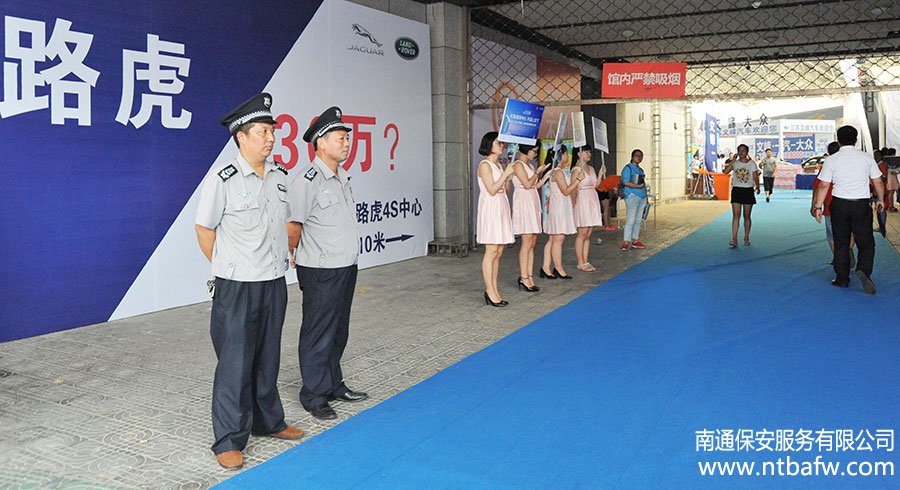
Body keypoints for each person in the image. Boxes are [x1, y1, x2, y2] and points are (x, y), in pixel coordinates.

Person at [194, 93, 304, 470]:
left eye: (272, 131)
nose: (271, 138)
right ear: (241, 137)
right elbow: (204, 229)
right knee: (234, 363)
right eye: (262, 132)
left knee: (267, 356)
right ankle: (228, 438)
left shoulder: (278, 177)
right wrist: (228, 266)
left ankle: (268, 421)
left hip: (273, 280)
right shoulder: (223, 179)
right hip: (238, 285)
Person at [287, 106, 368, 421]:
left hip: (345, 266)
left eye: (347, 138)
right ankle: (314, 394)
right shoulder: (307, 181)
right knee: (318, 332)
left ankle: (333, 384)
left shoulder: (341, 177)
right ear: (320, 143)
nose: (346, 143)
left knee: (338, 331)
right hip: (321, 270)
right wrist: (294, 253)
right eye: (340, 138)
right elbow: (293, 225)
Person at [813, 125, 885, 294]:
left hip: (839, 205)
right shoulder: (866, 158)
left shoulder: (832, 160)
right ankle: (864, 270)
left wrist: (818, 206)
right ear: (856, 140)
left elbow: (823, 185)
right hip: (861, 205)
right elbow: (878, 181)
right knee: (866, 242)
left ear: (838, 141)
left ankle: (842, 278)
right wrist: (881, 200)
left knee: (841, 242)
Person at [475, 131, 516, 306]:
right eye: (498, 143)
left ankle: (494, 289)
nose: (502, 146)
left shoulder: (498, 165)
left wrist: (508, 177)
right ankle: (489, 290)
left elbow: (504, 189)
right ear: (489, 145)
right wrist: (505, 175)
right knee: (491, 251)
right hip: (491, 208)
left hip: (501, 206)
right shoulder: (485, 165)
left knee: (498, 251)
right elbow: (491, 189)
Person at [810, 142, 855, 267]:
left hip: (830, 207)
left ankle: (839, 258)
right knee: (851, 231)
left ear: (829, 153)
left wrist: (815, 205)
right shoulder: (850, 165)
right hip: (850, 205)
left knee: (832, 235)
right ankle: (848, 250)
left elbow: (819, 187)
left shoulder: (827, 165)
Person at [511, 141, 548, 292]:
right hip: (523, 202)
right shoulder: (518, 165)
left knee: (532, 241)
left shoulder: (530, 166)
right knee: (527, 241)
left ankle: (529, 275)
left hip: (532, 200)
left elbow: (534, 186)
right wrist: (537, 173)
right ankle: (523, 276)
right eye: (534, 150)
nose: (535, 153)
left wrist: (544, 176)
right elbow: (527, 184)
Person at [539, 146, 580, 279]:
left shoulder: (558, 171)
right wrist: (578, 180)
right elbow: (566, 191)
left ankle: (546, 267)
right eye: (565, 154)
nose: (567, 156)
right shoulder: (558, 172)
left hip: (560, 205)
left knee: (553, 238)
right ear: (560, 155)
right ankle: (558, 268)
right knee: (558, 238)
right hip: (559, 207)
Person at [571, 146, 602, 271]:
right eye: (586, 151)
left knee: (588, 233)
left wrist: (600, 174)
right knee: (582, 233)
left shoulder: (591, 168)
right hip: (582, 201)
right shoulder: (576, 170)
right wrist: (574, 204)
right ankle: (580, 262)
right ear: (579, 154)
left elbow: (595, 185)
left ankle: (585, 260)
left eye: (589, 152)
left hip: (592, 199)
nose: (589, 154)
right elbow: (573, 189)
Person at [723, 144, 760, 248]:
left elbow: (755, 176)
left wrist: (757, 186)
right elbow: (725, 172)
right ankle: (734, 239)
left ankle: (746, 237)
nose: (741, 152)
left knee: (747, 216)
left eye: (743, 150)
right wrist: (733, 161)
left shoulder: (752, 163)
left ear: (747, 152)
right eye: (739, 150)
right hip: (736, 190)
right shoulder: (735, 163)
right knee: (736, 216)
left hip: (748, 190)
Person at [620, 149, 648, 251]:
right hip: (632, 195)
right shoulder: (627, 168)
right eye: (637, 155)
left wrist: (645, 196)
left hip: (642, 196)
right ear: (632, 157)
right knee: (631, 219)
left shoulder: (640, 170)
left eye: (641, 156)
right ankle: (626, 241)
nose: (639, 158)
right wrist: (638, 186)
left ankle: (635, 240)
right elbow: (625, 182)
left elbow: (643, 183)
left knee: (638, 219)